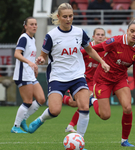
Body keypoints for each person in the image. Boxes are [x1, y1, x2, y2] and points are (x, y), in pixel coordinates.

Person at [28, 3, 110, 149]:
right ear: (58, 17)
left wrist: (102, 61)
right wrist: (40, 60)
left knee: (84, 106)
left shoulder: (79, 32)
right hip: (57, 76)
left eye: (70, 16)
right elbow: (43, 55)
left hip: (77, 75)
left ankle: (80, 141)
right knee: (55, 111)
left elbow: (90, 50)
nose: (68, 19)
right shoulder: (51, 35)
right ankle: (40, 119)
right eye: (65, 16)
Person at [89, 16, 135, 147]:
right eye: (132, 31)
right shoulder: (115, 41)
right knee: (105, 116)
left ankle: (124, 140)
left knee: (127, 108)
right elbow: (96, 48)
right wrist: (78, 52)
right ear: (127, 30)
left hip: (120, 79)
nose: (134, 34)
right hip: (103, 79)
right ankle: (92, 100)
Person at [63, 28, 106, 133]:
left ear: (105, 37)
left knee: (86, 102)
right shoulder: (87, 49)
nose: (100, 36)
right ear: (93, 36)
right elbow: (74, 58)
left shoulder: (105, 50)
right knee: (74, 103)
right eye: (98, 34)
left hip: (93, 82)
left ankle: (71, 126)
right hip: (80, 78)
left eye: (102, 35)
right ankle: (59, 98)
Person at [11, 17, 46, 133]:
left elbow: (28, 56)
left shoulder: (32, 39)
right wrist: (30, 63)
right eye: (31, 24)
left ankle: (23, 119)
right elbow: (17, 54)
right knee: (28, 101)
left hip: (30, 74)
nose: (34, 26)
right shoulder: (24, 38)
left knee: (41, 99)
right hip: (22, 74)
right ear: (25, 26)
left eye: (36, 24)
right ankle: (16, 127)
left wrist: (35, 63)